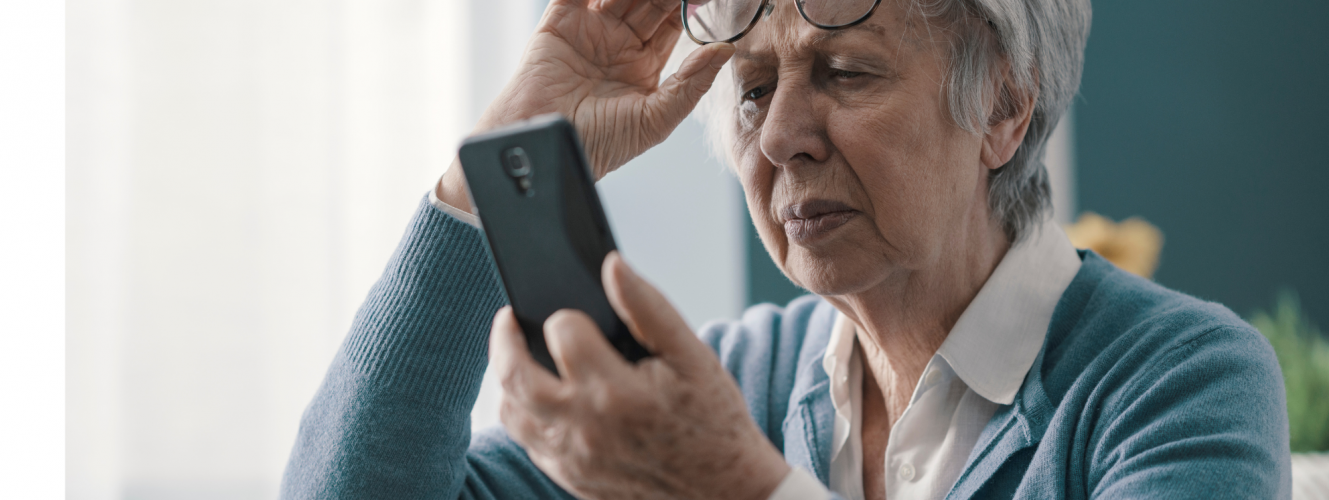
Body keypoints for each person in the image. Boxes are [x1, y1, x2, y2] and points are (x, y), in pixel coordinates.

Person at [281, 0, 1291, 497]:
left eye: (846, 71)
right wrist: (496, 165)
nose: (777, 138)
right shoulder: (731, 380)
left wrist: (732, 483)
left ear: (1004, 107)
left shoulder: (1180, 383)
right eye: (754, 89)